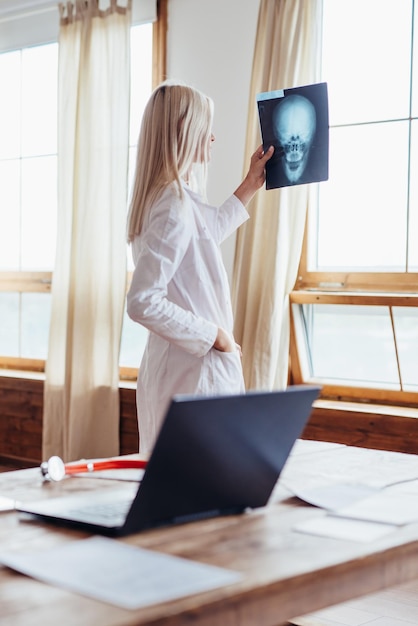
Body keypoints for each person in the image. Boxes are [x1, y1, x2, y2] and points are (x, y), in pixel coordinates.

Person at [126, 80, 273, 453]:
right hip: (191, 371)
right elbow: (142, 300)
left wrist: (250, 185)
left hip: (183, 369)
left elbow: (200, 244)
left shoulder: (167, 199)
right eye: (205, 127)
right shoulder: (173, 204)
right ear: (183, 130)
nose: (212, 138)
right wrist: (215, 337)